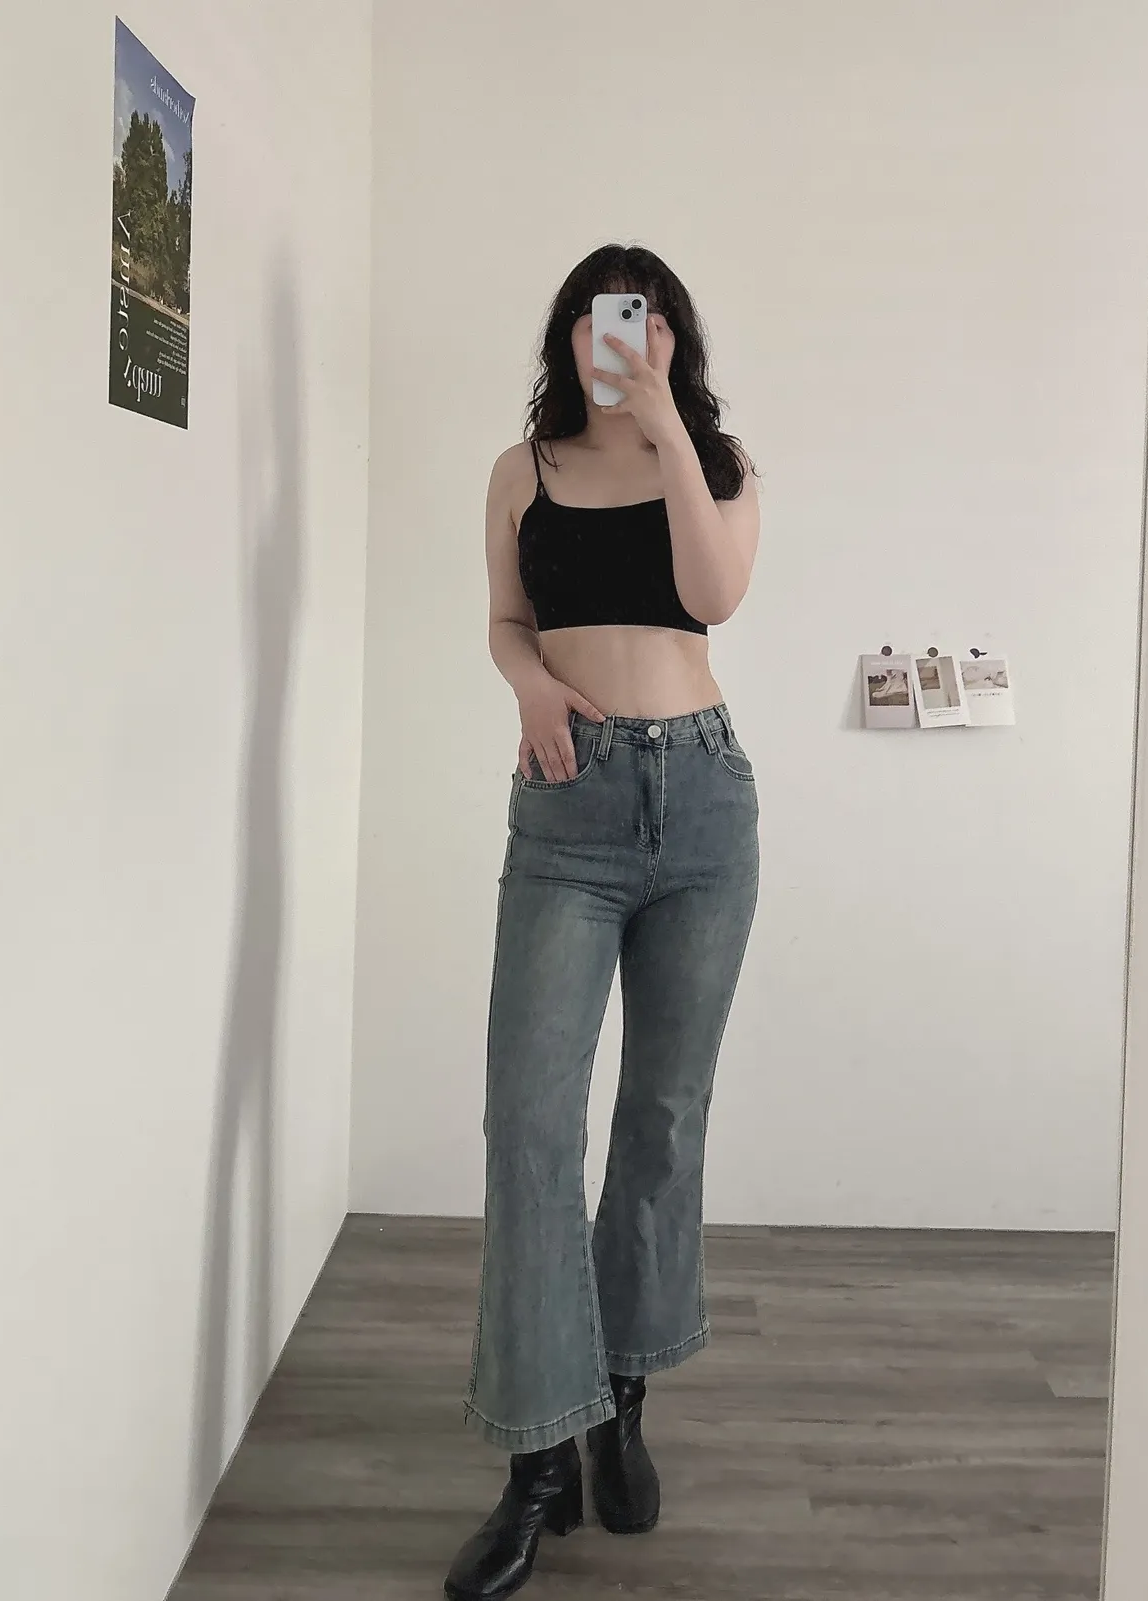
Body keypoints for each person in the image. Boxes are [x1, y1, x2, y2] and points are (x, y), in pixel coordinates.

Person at [444, 244, 762, 1601]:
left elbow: (714, 596)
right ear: (566, 335)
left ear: (672, 335)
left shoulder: (719, 462)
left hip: (702, 805)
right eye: (594, 315)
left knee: (663, 1119)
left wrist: (667, 423)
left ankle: (622, 1403)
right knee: (528, 1126)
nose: (616, 335)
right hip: (567, 808)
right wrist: (528, 687)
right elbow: (506, 621)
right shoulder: (521, 472)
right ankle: (536, 1462)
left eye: (641, 318)